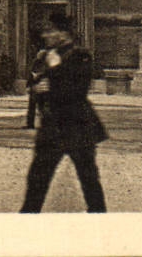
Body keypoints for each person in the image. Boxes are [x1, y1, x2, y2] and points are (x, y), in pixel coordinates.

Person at [19, 11, 107, 213]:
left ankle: (100, 220)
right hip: (53, 127)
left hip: (77, 126)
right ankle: (25, 220)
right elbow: (44, 85)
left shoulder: (80, 55)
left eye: (50, 31)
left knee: (89, 181)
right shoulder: (50, 56)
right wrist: (38, 88)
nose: (45, 36)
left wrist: (55, 70)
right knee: (37, 179)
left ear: (63, 34)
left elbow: (77, 92)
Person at [23, 46, 50, 129]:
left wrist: (38, 76)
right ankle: (30, 124)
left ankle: (44, 124)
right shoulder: (35, 62)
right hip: (34, 87)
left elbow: (48, 74)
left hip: (42, 87)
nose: (38, 55)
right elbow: (31, 74)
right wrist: (28, 85)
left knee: (41, 107)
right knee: (32, 107)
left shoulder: (47, 64)